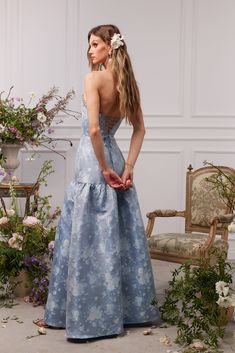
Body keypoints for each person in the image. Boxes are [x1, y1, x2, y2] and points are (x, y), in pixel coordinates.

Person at [39, 24, 159, 340]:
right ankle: (131, 312)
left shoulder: (93, 79)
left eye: (95, 44)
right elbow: (140, 129)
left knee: (86, 238)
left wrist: (104, 169)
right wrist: (128, 166)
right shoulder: (129, 84)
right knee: (118, 238)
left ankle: (84, 316)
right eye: (89, 45)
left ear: (110, 47)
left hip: (94, 163)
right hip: (117, 160)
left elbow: (94, 130)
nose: (90, 51)